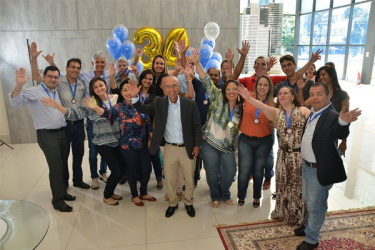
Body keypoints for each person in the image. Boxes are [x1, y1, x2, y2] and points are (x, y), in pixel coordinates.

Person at [295, 82, 361, 250]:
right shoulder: (313, 113)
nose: (315, 97)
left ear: (328, 96)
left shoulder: (332, 115)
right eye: (312, 94)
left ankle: (312, 239)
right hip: (307, 167)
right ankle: (310, 227)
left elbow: (339, 133)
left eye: (319, 94)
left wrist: (343, 123)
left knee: (316, 205)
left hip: (319, 170)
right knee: (310, 201)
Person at [42, 76, 125, 206]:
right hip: (103, 142)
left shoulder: (115, 99)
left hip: (118, 141)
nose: (99, 88)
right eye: (95, 87)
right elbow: (75, 114)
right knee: (117, 171)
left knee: (122, 170)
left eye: (101, 85)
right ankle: (107, 195)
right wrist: (57, 106)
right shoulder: (90, 104)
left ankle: (111, 191)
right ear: (92, 90)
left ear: (106, 86)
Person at [129, 75, 203, 218]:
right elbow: (143, 108)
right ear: (163, 88)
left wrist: (197, 145)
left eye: (174, 85)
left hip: (187, 147)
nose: (171, 89)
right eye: (167, 86)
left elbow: (197, 126)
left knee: (189, 178)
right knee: (169, 179)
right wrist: (134, 98)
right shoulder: (159, 103)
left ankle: (188, 203)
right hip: (169, 148)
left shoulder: (189, 104)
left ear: (179, 87)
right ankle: (173, 204)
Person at [238, 84, 311, 225]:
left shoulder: (302, 111)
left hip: (298, 156)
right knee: (283, 184)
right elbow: (261, 106)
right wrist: (248, 98)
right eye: (280, 93)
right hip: (283, 155)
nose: (282, 95)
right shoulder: (277, 113)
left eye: (286, 93)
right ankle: (283, 212)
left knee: (298, 186)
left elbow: (316, 123)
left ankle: (298, 215)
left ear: (293, 96)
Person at [9, 67, 75, 212]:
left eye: (56, 77)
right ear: (43, 77)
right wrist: (19, 85)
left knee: (63, 163)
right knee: (56, 166)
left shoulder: (58, 91)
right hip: (47, 135)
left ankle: (63, 192)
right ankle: (57, 201)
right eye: (50, 76)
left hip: (62, 132)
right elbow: (15, 103)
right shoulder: (34, 91)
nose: (53, 79)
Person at [84, 78, 156, 207]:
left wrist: (152, 138)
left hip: (144, 144)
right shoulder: (119, 107)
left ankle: (143, 193)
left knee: (146, 170)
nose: (128, 92)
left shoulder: (142, 105)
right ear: (121, 93)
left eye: (131, 89)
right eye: (125, 90)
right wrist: (95, 107)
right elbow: (107, 114)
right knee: (133, 171)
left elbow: (149, 125)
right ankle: (134, 195)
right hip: (127, 145)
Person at [29, 41, 90, 190]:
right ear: (66, 68)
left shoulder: (82, 84)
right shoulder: (59, 81)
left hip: (79, 125)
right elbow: (38, 76)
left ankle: (78, 180)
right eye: (73, 67)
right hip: (65, 125)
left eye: (78, 68)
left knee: (79, 154)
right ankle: (64, 183)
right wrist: (34, 59)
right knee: (63, 157)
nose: (75, 70)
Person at [191, 49, 243, 208]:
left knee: (229, 173)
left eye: (235, 89)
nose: (231, 91)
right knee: (212, 173)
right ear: (224, 90)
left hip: (228, 146)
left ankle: (225, 192)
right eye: (229, 89)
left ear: (238, 92)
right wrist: (197, 63)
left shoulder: (242, 106)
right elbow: (205, 80)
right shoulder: (217, 96)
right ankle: (215, 195)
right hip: (209, 144)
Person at [237, 75, 274, 208]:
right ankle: (241, 195)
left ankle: (257, 196)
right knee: (244, 170)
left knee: (259, 171)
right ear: (256, 86)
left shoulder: (273, 103)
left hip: (264, 142)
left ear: (269, 87)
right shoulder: (248, 96)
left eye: (265, 85)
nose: (262, 87)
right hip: (245, 141)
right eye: (260, 84)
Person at [138, 69, 163, 190]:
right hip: (135, 130)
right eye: (145, 78)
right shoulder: (135, 93)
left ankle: (159, 178)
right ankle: (142, 178)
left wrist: (152, 133)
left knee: (154, 155)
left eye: (150, 79)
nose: (147, 81)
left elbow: (156, 116)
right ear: (141, 78)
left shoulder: (155, 97)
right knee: (142, 157)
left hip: (150, 130)